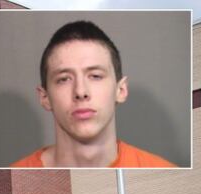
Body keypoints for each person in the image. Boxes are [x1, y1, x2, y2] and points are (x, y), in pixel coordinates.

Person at [12, 20, 176, 169]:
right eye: (64, 79)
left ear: (121, 90)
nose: (81, 92)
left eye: (95, 76)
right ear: (44, 97)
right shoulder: (16, 172)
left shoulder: (166, 171)